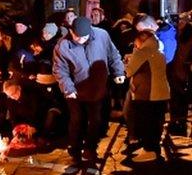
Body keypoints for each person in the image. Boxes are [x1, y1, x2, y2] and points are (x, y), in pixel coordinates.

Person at [53, 17, 126, 166]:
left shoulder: (101, 35)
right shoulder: (62, 46)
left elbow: (113, 55)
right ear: (71, 31)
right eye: (77, 37)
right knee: (77, 119)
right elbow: (60, 70)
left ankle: (90, 148)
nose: (80, 40)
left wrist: (119, 72)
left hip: (97, 88)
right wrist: (68, 89)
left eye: (84, 37)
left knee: (96, 120)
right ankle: (75, 149)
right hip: (75, 90)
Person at [126, 30, 171, 162]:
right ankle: (153, 149)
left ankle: (149, 150)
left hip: (147, 94)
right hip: (161, 93)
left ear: (141, 39)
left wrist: (133, 54)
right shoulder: (159, 51)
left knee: (146, 123)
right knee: (156, 123)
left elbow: (129, 71)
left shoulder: (142, 52)